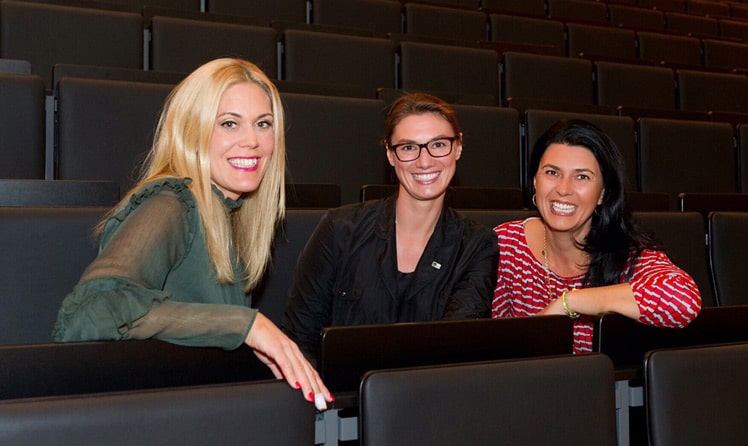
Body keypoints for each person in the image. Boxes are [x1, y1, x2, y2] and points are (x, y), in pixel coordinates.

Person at [52, 58, 332, 407]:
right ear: (192, 131)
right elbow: (92, 313)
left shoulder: (232, 211)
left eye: (263, 124)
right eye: (230, 124)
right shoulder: (170, 204)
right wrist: (247, 326)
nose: (252, 141)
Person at [282, 93, 499, 364]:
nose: (425, 161)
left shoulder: (478, 244)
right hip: (339, 399)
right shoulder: (339, 229)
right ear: (390, 154)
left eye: (439, 144)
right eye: (409, 147)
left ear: (458, 147)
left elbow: (456, 350)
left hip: (428, 397)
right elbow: (300, 340)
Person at [493, 119, 702, 354]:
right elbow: (488, 342)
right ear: (535, 181)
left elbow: (683, 301)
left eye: (582, 177)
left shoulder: (626, 254)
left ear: (602, 193)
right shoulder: (505, 243)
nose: (563, 189)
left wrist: (568, 303)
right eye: (552, 172)